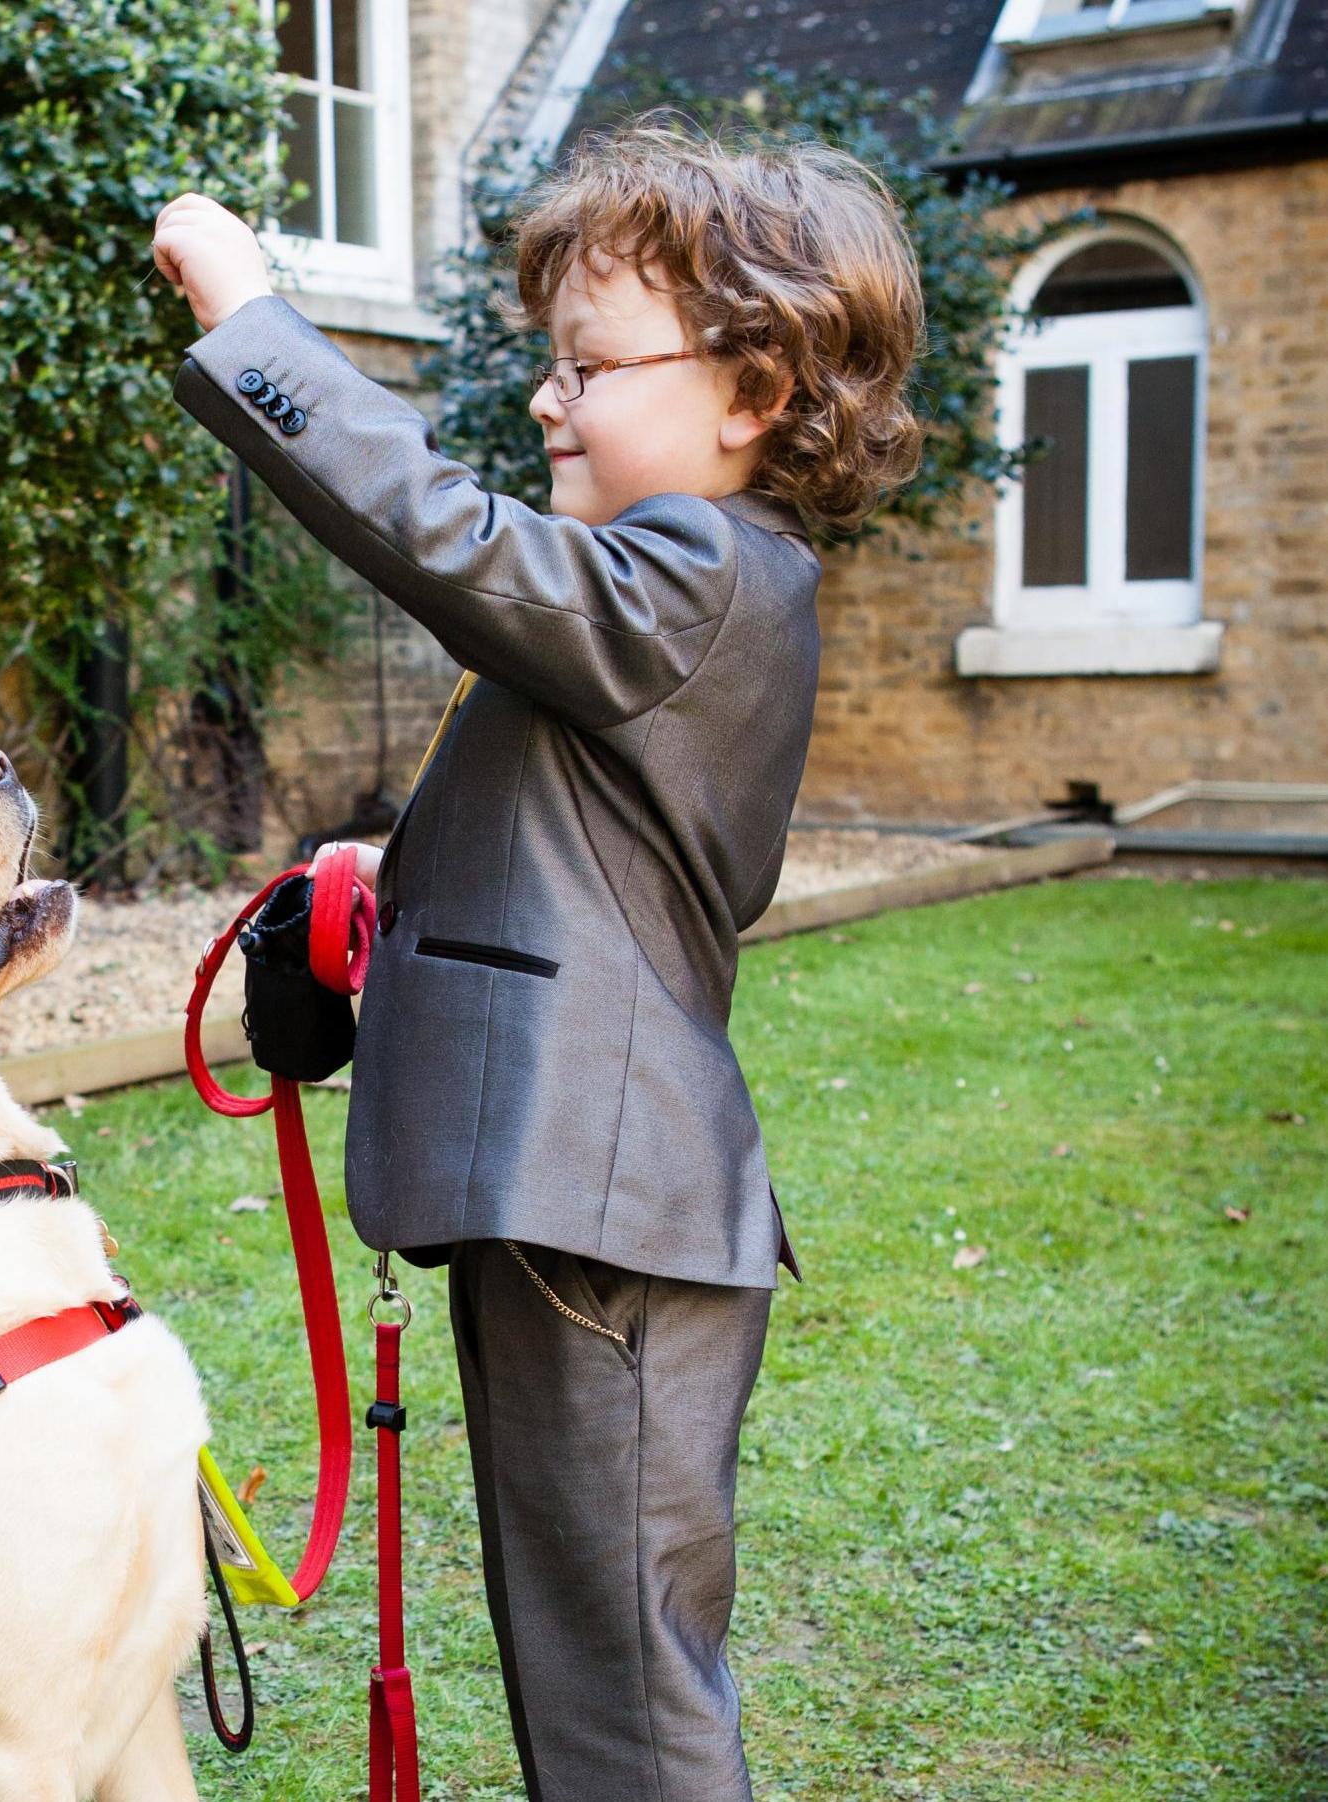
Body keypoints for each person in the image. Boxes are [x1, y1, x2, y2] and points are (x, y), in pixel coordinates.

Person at [149, 113, 925, 1799]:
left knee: (625, 1708)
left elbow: (448, 537)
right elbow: (570, 850)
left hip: (606, 1216)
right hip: (568, 1209)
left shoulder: (701, 572)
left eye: (587, 364)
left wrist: (249, 326)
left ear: (753, 393)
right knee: (585, 1673)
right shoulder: (650, 610)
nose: (549, 399)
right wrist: (377, 895)